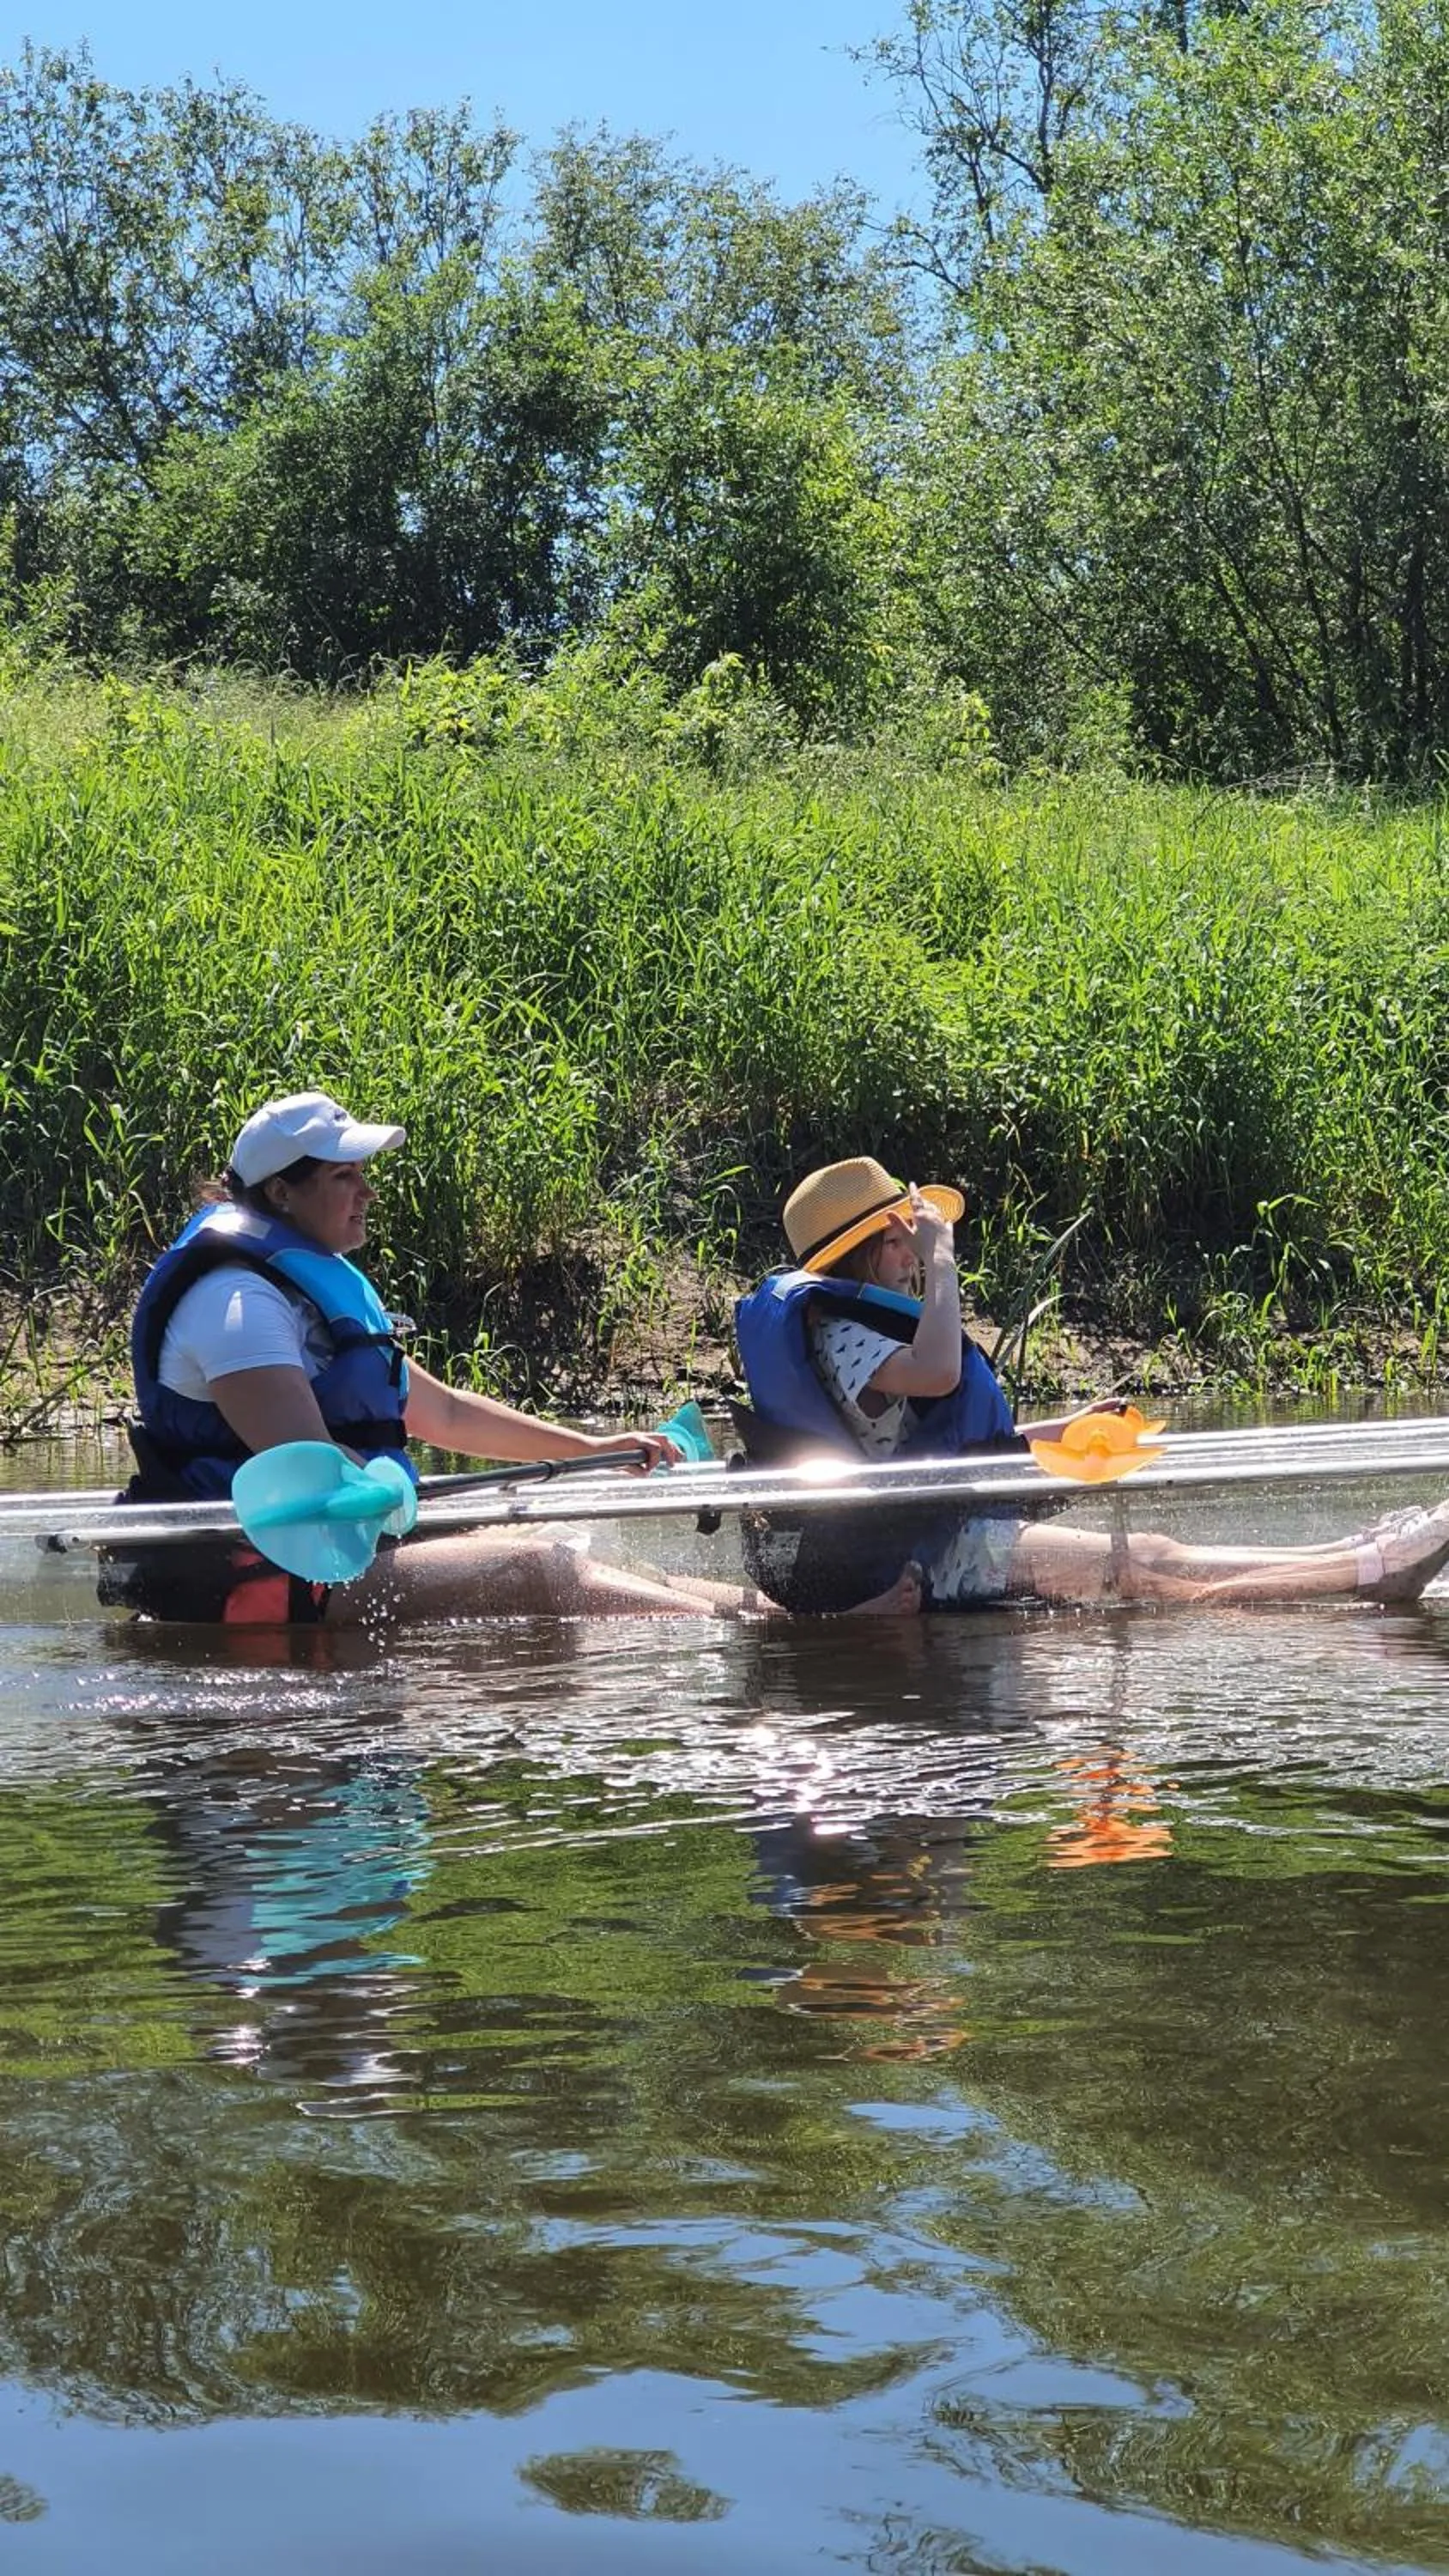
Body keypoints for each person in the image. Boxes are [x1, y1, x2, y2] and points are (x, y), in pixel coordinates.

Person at [108, 1091, 755, 1627]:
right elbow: (312, 1469)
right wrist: (394, 1494)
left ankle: (762, 1630)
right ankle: (721, 1655)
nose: (367, 1192)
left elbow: (443, 1412)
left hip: (350, 1550)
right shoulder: (236, 1304)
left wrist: (594, 1447)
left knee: (593, 1556)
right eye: (344, 1177)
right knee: (537, 1569)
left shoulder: (307, 1291)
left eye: (362, 1174)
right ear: (281, 1193)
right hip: (263, 1573)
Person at [733, 1154, 1449, 1612]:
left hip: (935, 1528)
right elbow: (942, 1372)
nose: (911, 1256)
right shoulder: (844, 1335)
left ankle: (1349, 1557)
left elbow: (948, 1446)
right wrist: (944, 1259)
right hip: (929, 1550)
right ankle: (1370, 1570)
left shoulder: (861, 1330)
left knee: (1149, 1560)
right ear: (859, 1254)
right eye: (896, 1242)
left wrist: (1067, 1432)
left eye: (912, 1242)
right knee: (1142, 1563)